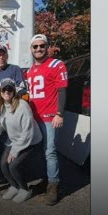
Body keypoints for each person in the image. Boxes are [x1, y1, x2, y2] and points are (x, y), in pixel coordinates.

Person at [25, 34, 68, 205]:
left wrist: (60, 113)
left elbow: (62, 90)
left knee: (50, 151)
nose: (38, 49)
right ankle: (46, 179)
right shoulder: (29, 71)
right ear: (31, 49)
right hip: (35, 118)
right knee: (40, 151)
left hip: (50, 117)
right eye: (35, 46)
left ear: (47, 46)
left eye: (42, 46)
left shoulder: (57, 64)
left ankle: (54, 185)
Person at [0, 78, 42, 203]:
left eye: (9, 89)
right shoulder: (1, 106)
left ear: (14, 91)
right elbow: (2, 127)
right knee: (3, 164)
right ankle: (14, 186)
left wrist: (14, 151)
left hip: (31, 141)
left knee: (13, 165)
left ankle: (25, 189)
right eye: (4, 89)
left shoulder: (22, 106)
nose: (6, 91)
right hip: (15, 140)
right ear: (0, 91)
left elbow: (28, 133)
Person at [0, 44, 26, 184]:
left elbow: (22, 89)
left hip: (13, 113)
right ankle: (0, 176)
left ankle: (16, 177)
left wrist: (0, 89)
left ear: (7, 56)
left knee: (13, 146)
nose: (1, 57)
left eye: (3, 54)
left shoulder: (15, 69)